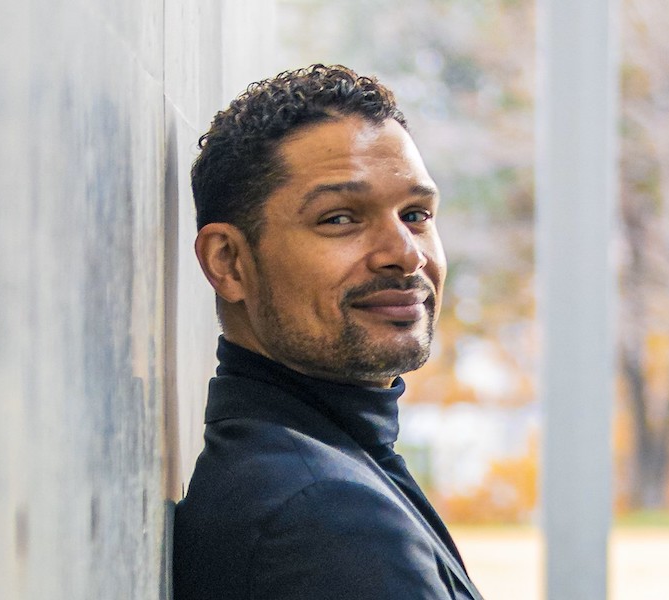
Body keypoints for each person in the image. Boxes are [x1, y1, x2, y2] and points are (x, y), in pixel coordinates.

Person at [173, 64, 481, 600]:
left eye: (415, 214)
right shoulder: (328, 517)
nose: (406, 254)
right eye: (340, 218)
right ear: (228, 262)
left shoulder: (327, 469)